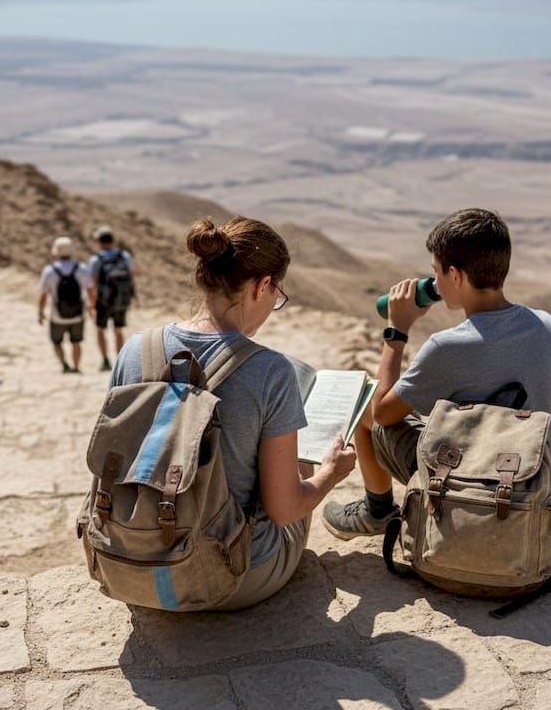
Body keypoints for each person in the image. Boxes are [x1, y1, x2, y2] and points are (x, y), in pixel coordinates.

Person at [108, 216, 356, 610]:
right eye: (277, 295)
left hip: (128, 561)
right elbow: (284, 509)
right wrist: (332, 473)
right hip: (230, 579)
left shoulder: (135, 349)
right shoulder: (270, 370)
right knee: (301, 468)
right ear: (262, 286)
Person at [322, 208, 551, 539]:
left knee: (365, 403)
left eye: (436, 272)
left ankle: (377, 512)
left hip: (482, 486)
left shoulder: (448, 346)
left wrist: (397, 330)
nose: (434, 282)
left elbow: (382, 413)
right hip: (543, 482)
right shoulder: (545, 324)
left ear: (455, 276)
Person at [38, 236, 95, 374]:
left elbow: (43, 294)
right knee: (76, 342)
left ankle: (64, 364)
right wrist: (90, 306)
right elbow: (90, 289)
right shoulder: (81, 268)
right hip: (78, 314)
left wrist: (40, 312)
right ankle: (76, 367)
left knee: (57, 342)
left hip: (57, 315)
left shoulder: (49, 271)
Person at [89, 226, 136, 371]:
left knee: (100, 330)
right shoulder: (124, 256)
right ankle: (120, 361)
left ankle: (105, 361)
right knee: (118, 330)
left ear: (99, 242)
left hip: (103, 301)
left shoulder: (96, 259)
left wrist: (91, 302)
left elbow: (93, 282)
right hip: (121, 299)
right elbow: (132, 275)